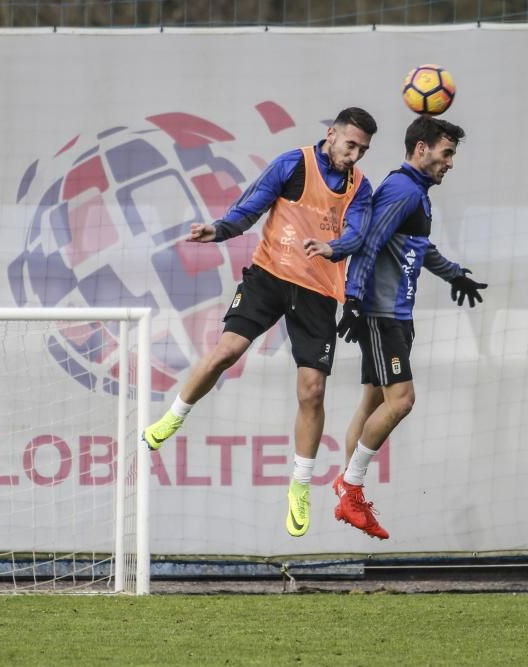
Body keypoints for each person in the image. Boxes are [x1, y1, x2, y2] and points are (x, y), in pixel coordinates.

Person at [140, 107, 379, 537]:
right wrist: (219, 230)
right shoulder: (293, 164)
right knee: (225, 352)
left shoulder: (360, 187)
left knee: (313, 390)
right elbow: (251, 206)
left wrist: (333, 247)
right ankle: (173, 416)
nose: (355, 155)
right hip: (268, 277)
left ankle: (300, 485)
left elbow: (359, 235)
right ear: (331, 135)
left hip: (318, 294)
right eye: (350, 145)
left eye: (362, 149)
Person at [305, 114, 487, 540]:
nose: (451, 163)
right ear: (421, 149)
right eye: (447, 153)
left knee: (372, 404)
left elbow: (417, 248)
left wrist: (454, 274)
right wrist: (352, 299)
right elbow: (368, 242)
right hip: (381, 314)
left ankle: (350, 492)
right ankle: (350, 487)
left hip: (397, 316)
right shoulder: (402, 189)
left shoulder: (416, 193)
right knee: (402, 400)